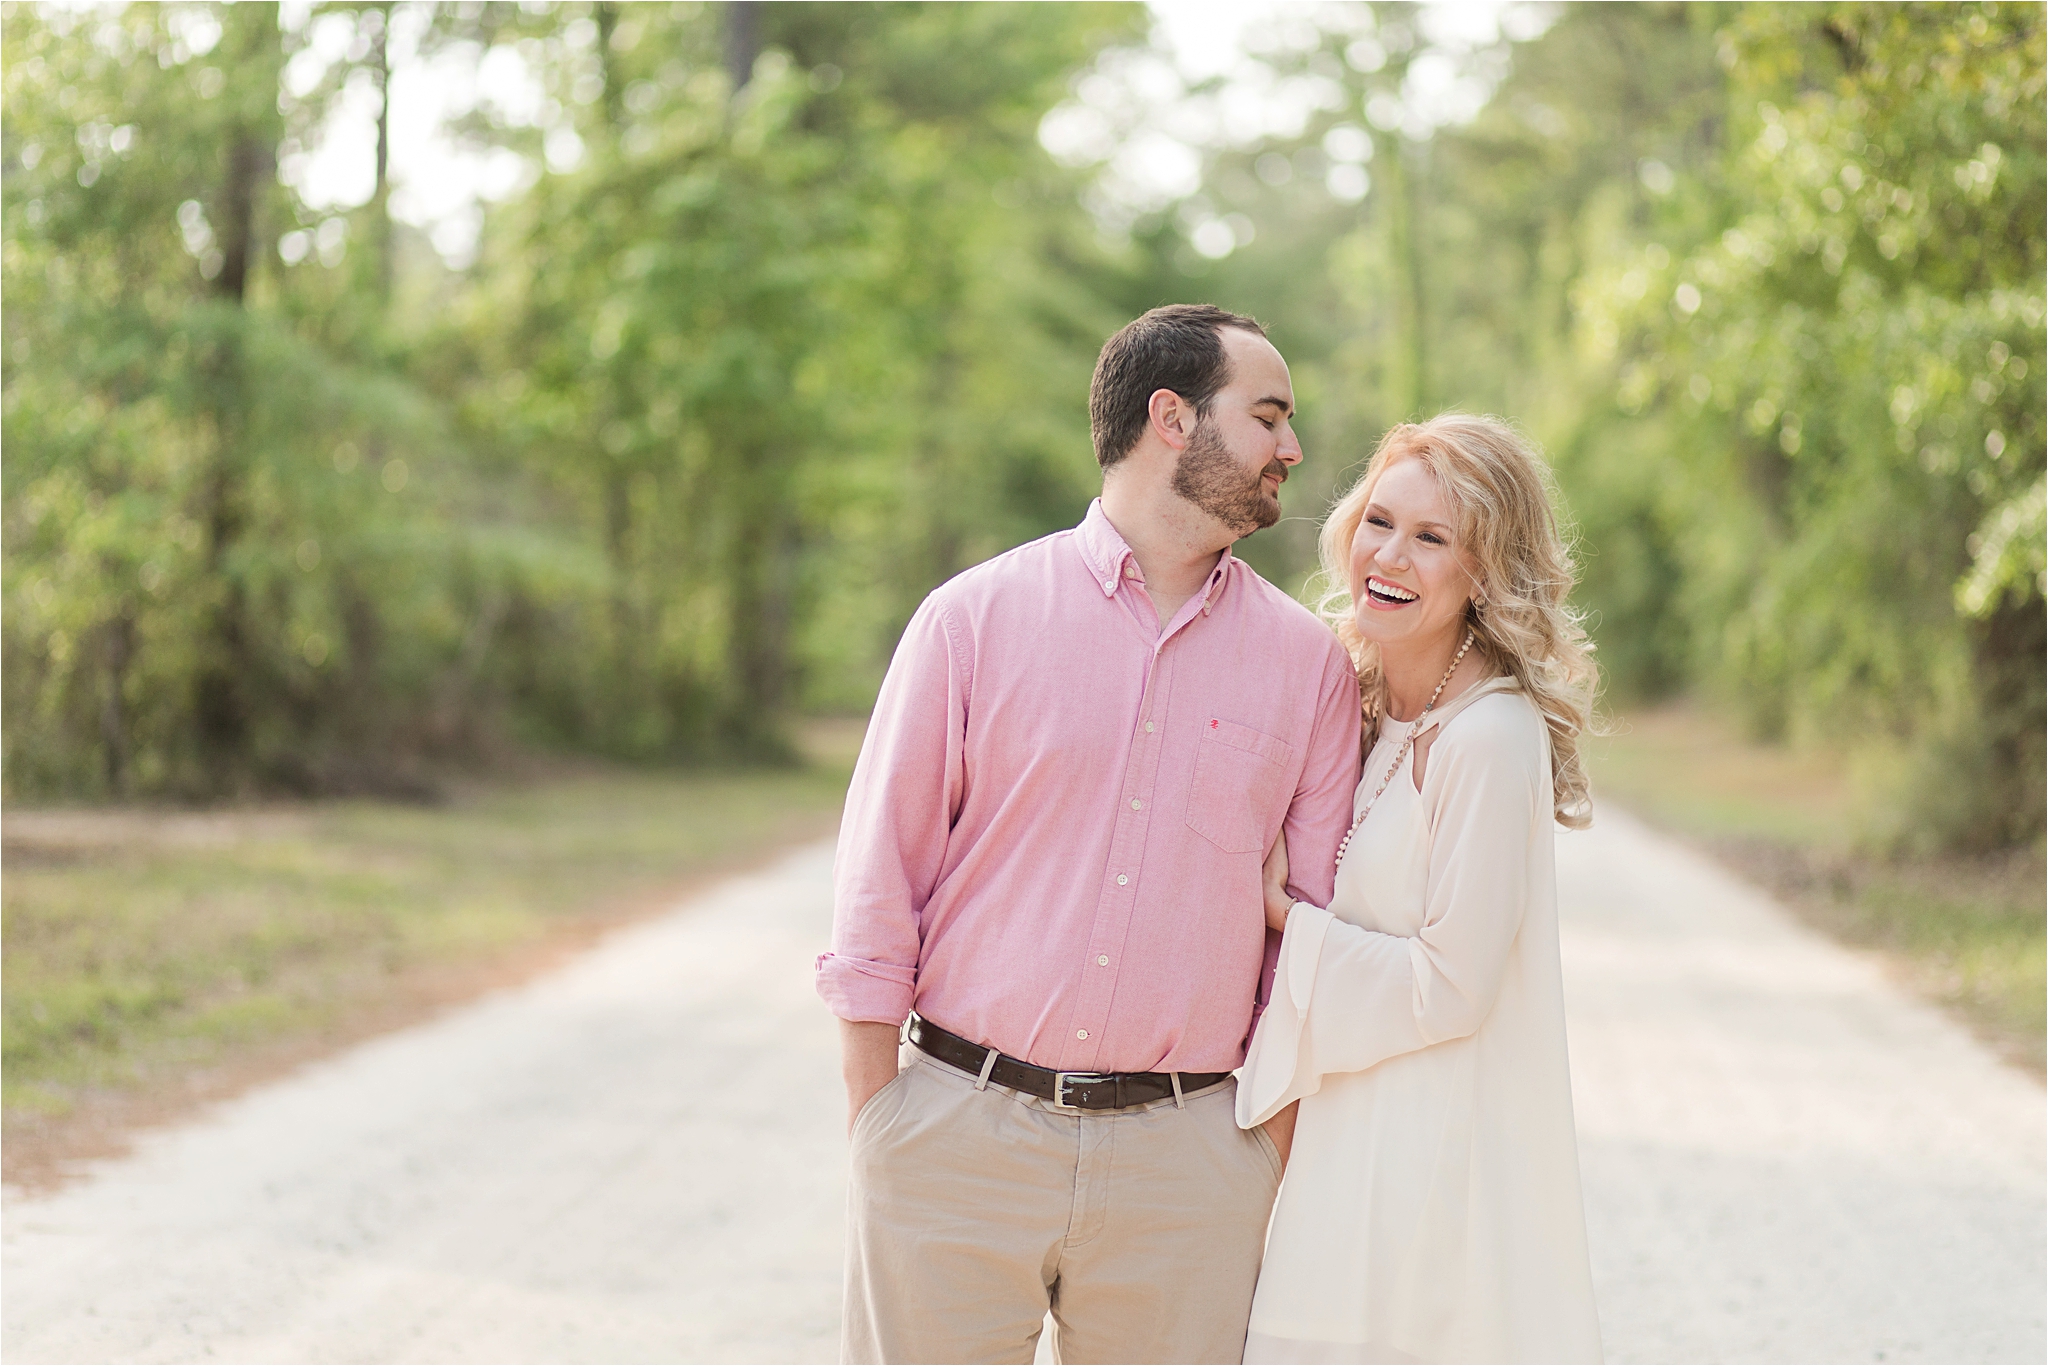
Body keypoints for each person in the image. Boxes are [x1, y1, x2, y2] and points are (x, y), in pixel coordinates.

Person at [816, 305, 1363, 1365]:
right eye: (1267, 416)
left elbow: (1315, 930)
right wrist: (882, 1124)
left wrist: (1254, 1152)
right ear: (1171, 418)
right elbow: (878, 879)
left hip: (1188, 1163)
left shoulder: (1308, 668)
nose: (1290, 449)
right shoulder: (970, 621)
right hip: (955, 1135)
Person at [1237, 414, 1605, 1364]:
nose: (1389, 556)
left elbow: (1455, 986)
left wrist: (1288, 916)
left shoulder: (1490, 736)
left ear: (1485, 573)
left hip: (1422, 1161)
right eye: (1380, 521)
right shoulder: (1355, 698)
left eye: (1433, 538)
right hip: (1334, 1144)